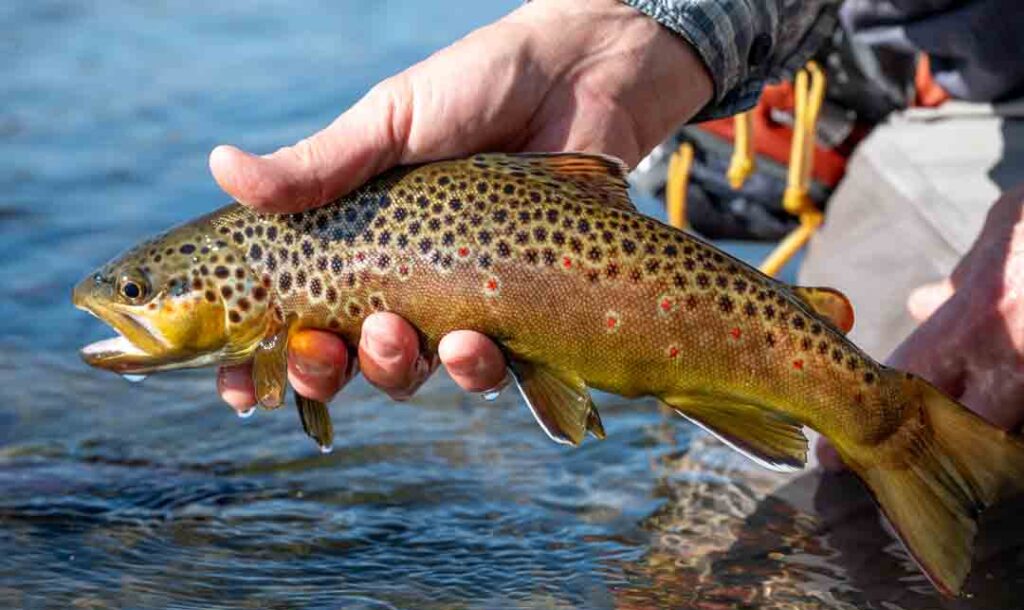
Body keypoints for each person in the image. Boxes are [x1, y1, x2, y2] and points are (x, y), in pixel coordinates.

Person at [212, 0, 1024, 462]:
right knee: (769, 527)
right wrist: (617, 40)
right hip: (947, 63)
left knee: (878, 543)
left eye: (144, 293)